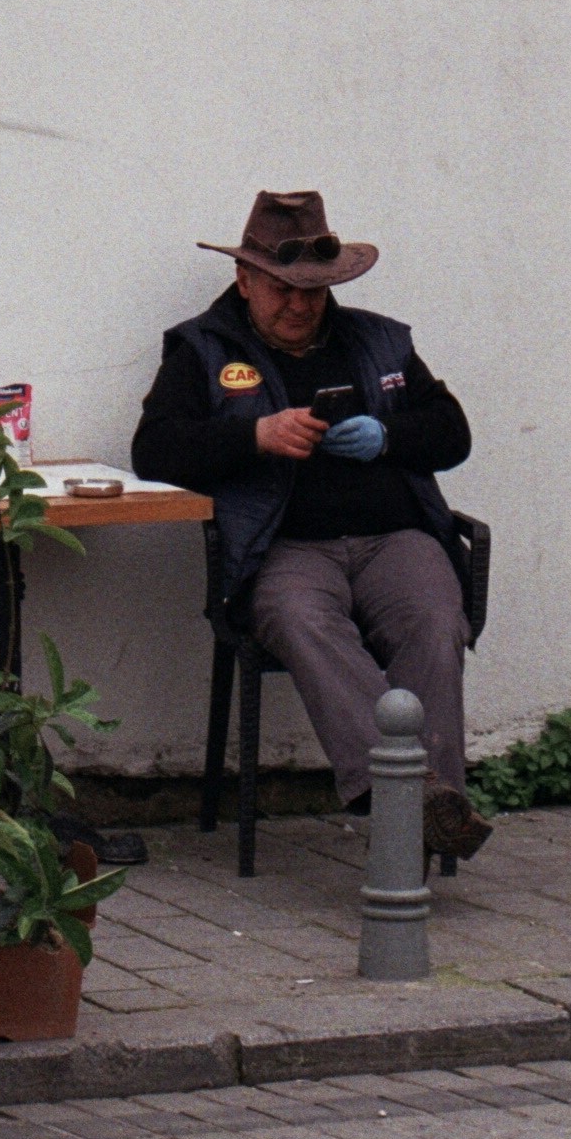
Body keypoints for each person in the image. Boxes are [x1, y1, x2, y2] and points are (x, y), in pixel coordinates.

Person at [132, 189, 489, 861]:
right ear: (243, 280)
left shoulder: (380, 340)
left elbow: (453, 433)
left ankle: (428, 802)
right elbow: (154, 450)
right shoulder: (203, 350)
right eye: (281, 289)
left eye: (314, 293)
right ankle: (411, 796)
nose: (298, 306)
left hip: (394, 537)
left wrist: (386, 435)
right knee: (302, 620)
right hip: (284, 548)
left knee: (435, 620)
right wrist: (255, 435)